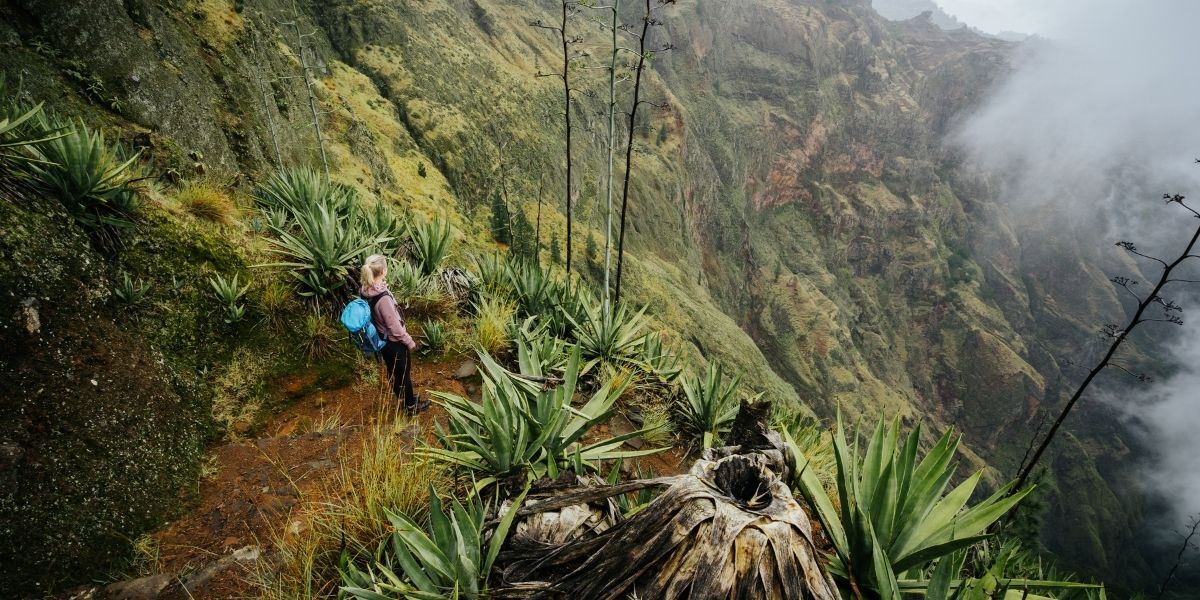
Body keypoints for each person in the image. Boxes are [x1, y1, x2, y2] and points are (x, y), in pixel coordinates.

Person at [359, 254, 429, 416]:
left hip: (381, 339)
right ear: (383, 271)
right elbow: (395, 328)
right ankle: (411, 407)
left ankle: (404, 398)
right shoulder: (382, 298)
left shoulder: (365, 290)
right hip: (393, 342)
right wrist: (410, 342)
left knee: (393, 371)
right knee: (403, 374)